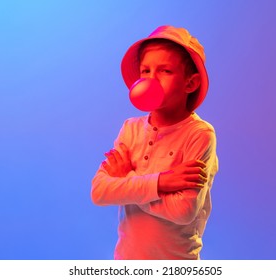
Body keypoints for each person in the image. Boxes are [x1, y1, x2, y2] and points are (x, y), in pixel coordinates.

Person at [91, 25, 218, 260]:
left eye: (165, 71)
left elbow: (183, 212)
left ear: (190, 83)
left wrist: (128, 181)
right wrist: (163, 183)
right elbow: (99, 192)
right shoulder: (131, 128)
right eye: (145, 71)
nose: (151, 79)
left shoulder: (199, 134)